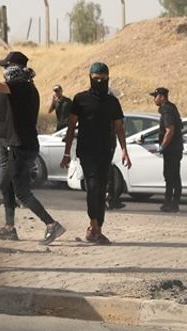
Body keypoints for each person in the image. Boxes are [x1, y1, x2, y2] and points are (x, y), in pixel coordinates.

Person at [0, 50, 64, 245]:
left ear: (14, 69)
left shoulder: (21, 87)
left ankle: (51, 224)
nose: (4, 71)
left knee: (21, 191)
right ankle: (9, 227)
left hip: (20, 145)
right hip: (16, 143)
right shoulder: (21, 88)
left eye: (6, 67)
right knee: (6, 183)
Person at [61, 62, 130, 245]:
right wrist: (67, 153)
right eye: (96, 78)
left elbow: (119, 128)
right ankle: (94, 227)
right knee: (92, 186)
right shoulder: (80, 99)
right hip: (87, 151)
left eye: (103, 79)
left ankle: (97, 227)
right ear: (90, 78)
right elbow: (70, 128)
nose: (99, 81)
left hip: (106, 150)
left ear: (108, 78)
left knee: (101, 189)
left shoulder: (112, 102)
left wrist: (124, 150)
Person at [150, 87, 182, 213]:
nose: (154, 99)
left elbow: (170, 130)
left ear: (162, 97)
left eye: (155, 96)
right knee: (174, 176)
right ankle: (172, 202)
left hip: (172, 149)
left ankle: (171, 203)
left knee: (171, 176)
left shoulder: (166, 110)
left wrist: (163, 146)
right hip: (176, 148)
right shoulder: (171, 108)